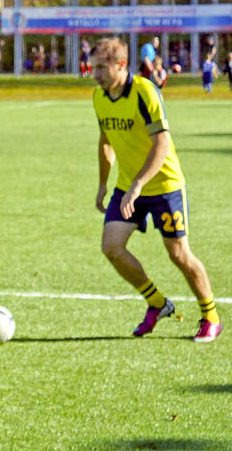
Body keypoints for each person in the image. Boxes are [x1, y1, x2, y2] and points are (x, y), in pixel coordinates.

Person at [90, 38, 222, 343]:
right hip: (127, 188)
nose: (94, 73)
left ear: (121, 65)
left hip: (164, 185)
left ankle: (211, 315)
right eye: (92, 66)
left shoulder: (144, 92)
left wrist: (139, 184)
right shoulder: (99, 98)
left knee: (179, 255)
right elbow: (106, 140)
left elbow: (162, 142)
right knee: (111, 247)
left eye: (101, 67)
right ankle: (157, 303)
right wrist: (102, 184)